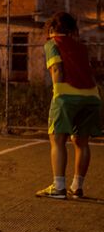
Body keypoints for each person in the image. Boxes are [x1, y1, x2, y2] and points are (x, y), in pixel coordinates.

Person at [36, 12, 101, 199]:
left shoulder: (52, 43)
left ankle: (58, 187)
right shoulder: (81, 47)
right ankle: (77, 186)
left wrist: (57, 92)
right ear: (72, 29)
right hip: (92, 96)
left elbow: (56, 68)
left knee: (57, 140)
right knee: (81, 142)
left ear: (51, 28)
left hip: (67, 94)